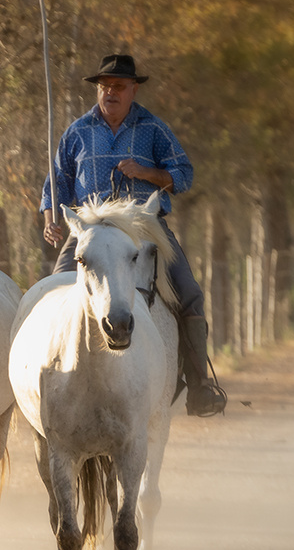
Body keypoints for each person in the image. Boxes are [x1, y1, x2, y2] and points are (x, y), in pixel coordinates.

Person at [39, 53, 226, 416]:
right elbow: (55, 184)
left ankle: (200, 386)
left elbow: (183, 175)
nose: (111, 92)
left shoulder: (153, 129)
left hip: (143, 229)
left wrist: (146, 172)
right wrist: (51, 218)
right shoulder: (77, 131)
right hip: (88, 232)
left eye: (119, 86)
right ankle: (39, 379)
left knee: (189, 294)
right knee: (47, 295)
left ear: (133, 90)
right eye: (105, 86)